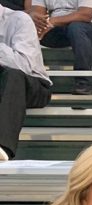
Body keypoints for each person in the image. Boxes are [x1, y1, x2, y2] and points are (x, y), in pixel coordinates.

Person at [0, 2, 52, 160]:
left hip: (34, 84)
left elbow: (24, 65)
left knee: (13, 75)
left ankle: (3, 147)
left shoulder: (20, 20)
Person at [30, 0, 92, 95]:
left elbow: (85, 15)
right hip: (58, 27)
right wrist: (39, 22)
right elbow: (37, 13)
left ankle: (83, 82)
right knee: (30, 30)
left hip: (91, 27)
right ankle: (34, 83)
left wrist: (52, 21)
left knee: (76, 28)